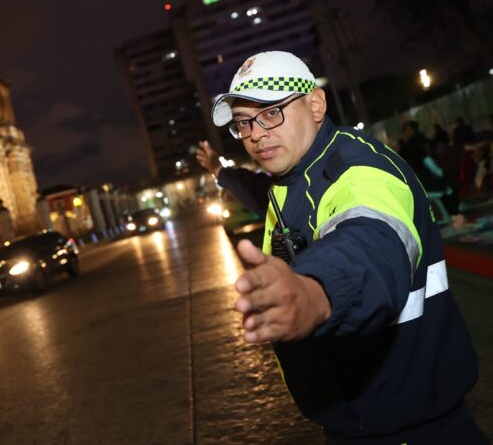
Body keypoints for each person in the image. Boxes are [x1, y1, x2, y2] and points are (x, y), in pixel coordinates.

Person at [196, 51, 485, 444]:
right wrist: (220, 172)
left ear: (315, 104)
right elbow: (259, 191)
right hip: (353, 422)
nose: (256, 133)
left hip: (412, 427)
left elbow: (371, 240)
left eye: (270, 113)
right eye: (244, 123)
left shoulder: (359, 170)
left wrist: (315, 292)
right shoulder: (292, 177)